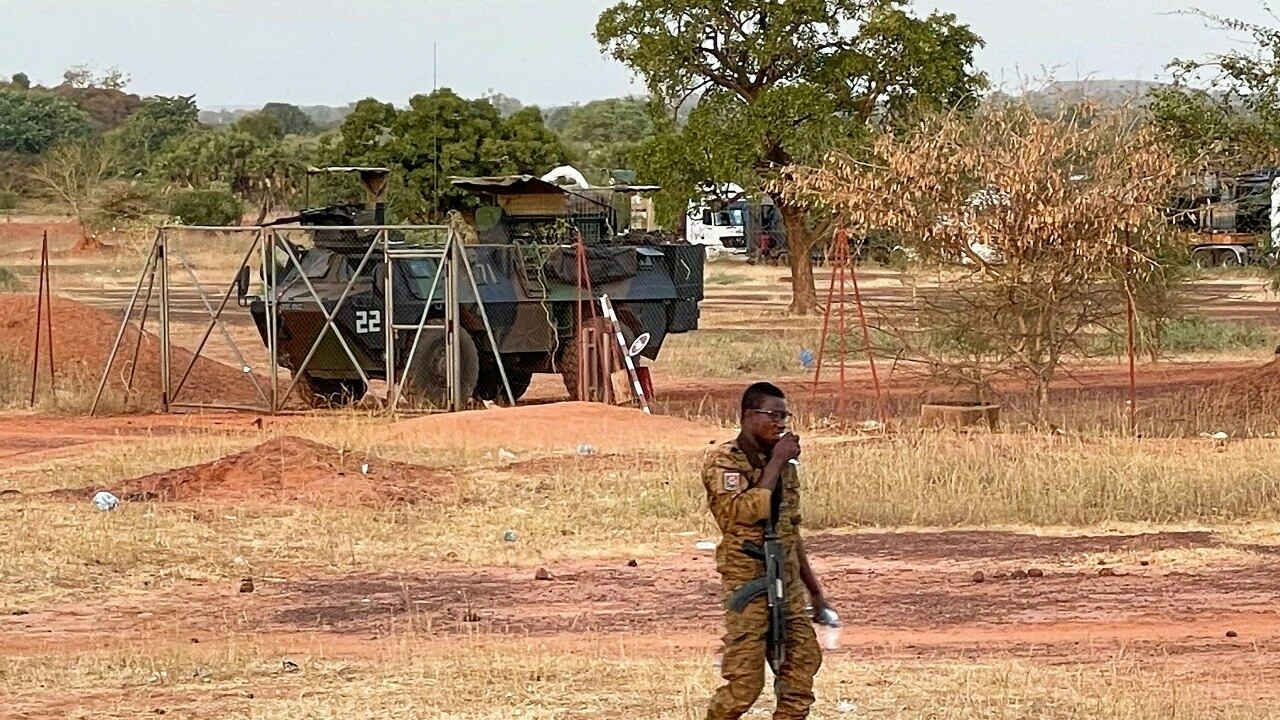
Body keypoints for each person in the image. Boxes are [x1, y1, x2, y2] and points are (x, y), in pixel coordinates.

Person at [701, 381, 830, 720]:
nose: (780, 423)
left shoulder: (782, 466)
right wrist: (775, 463)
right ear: (748, 416)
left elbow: (790, 530)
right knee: (744, 684)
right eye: (773, 415)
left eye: (784, 416)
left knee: (801, 666)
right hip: (749, 581)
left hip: (785, 581)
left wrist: (814, 591)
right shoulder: (724, 462)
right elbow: (741, 513)